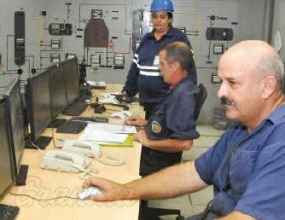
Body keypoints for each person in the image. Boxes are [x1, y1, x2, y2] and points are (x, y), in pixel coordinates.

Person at [85, 40, 285, 220]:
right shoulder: (243, 126)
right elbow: (193, 173)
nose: (221, 92)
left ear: (267, 87)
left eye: (232, 83)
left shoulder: (280, 141)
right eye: (222, 81)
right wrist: (124, 190)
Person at [125, 41, 200, 219]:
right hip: (153, 148)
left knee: (116, 165)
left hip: (156, 158)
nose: (159, 68)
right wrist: (145, 122)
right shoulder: (178, 87)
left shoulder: (184, 95)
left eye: (161, 64)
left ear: (175, 66)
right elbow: (166, 121)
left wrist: (148, 141)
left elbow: (184, 143)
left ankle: (133, 211)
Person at [123, 0, 197, 120]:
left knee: (160, 136)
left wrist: (188, 98)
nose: (158, 20)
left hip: (169, 104)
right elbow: (135, 68)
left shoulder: (179, 38)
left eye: (162, 17)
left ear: (170, 19)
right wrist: (127, 91)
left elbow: (190, 70)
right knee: (150, 133)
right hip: (148, 103)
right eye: (155, 16)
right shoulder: (147, 39)